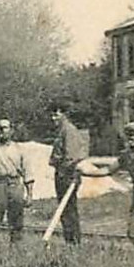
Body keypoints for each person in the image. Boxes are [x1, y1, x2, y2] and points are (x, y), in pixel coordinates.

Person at [80, 120, 134, 247]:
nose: (131, 137)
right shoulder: (126, 155)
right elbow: (108, 170)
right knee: (133, 232)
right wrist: (85, 172)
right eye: (129, 134)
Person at [0, 118, 32, 243]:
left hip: (14, 185)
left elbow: (28, 172)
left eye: (5, 128)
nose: (2, 131)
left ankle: (16, 250)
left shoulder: (19, 149)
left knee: (16, 222)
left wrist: (30, 194)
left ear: (11, 130)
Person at [47, 103, 90, 244]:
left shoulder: (69, 131)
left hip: (67, 175)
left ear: (64, 114)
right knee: (65, 211)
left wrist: (63, 173)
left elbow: (71, 157)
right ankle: (70, 241)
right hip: (62, 173)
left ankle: (73, 242)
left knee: (68, 210)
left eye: (56, 115)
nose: (53, 118)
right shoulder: (62, 131)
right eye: (52, 115)